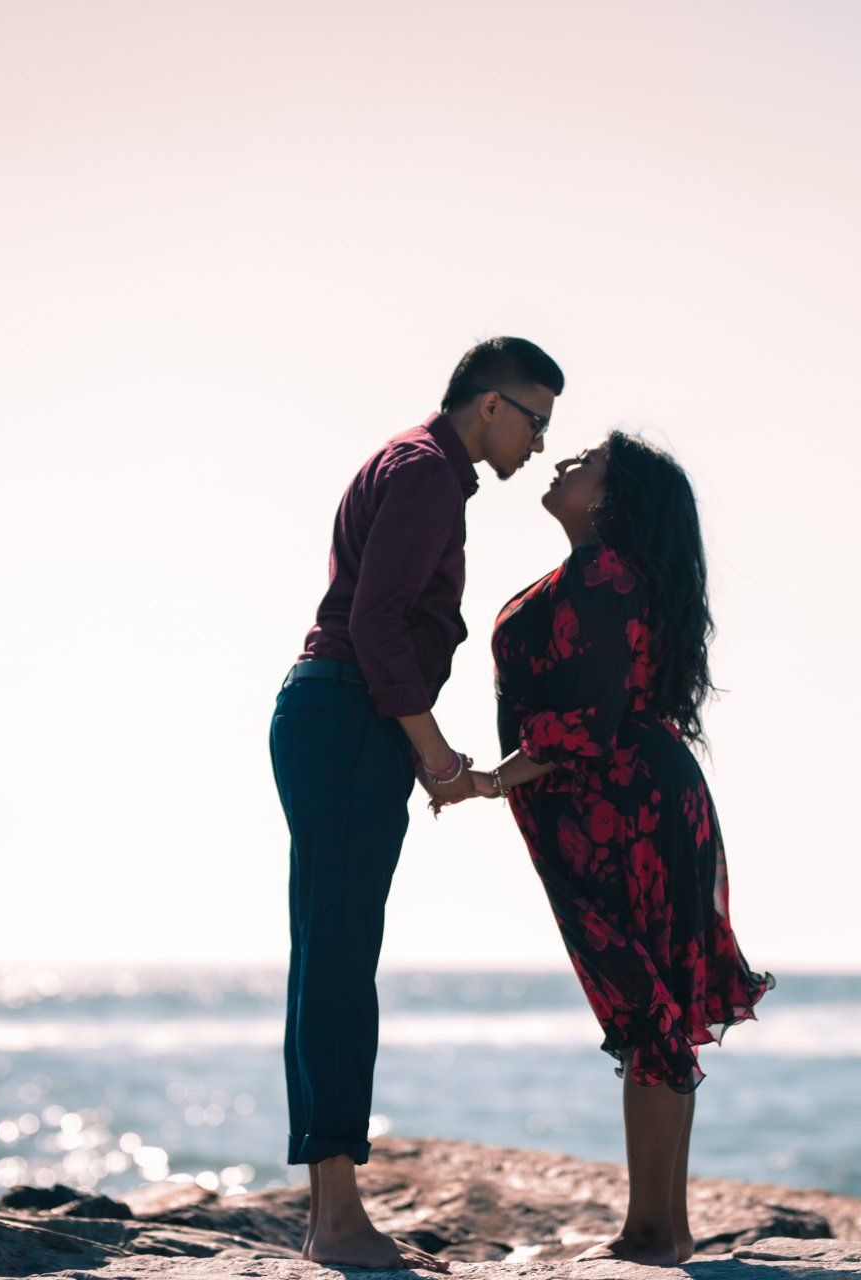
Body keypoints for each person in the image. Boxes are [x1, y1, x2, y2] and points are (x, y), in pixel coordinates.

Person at [269, 336, 563, 1270]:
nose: (539, 443)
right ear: (490, 405)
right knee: (339, 959)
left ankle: (330, 1212)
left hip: (339, 712)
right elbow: (379, 621)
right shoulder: (432, 470)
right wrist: (432, 752)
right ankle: (340, 1220)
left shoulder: (418, 463)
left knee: (328, 952)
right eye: (535, 419)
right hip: (350, 711)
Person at [462, 430, 774, 1265]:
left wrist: (488, 782)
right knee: (655, 1004)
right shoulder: (604, 577)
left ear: (614, 496)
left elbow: (580, 723)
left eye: (588, 461)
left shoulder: (604, 576)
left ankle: (648, 1233)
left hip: (615, 804)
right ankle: (666, 1227)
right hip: (627, 797)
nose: (565, 461)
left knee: (645, 1006)